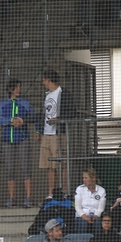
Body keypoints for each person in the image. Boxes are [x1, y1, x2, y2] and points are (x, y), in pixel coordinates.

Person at [35, 69, 74, 199]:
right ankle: (51, 193)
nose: (43, 83)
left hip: (58, 133)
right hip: (46, 133)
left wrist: (60, 119)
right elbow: (43, 114)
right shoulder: (46, 95)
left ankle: (64, 191)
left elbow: (72, 112)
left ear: (48, 80)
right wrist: (38, 130)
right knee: (48, 164)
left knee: (61, 163)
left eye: (44, 80)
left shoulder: (64, 93)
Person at [0, 79, 36, 208]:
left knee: (25, 167)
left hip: (23, 138)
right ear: (10, 89)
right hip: (7, 139)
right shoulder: (3, 103)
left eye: (19, 87)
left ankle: (29, 197)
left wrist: (22, 121)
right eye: (16, 87)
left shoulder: (25, 103)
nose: (18, 89)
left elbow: (34, 117)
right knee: (9, 169)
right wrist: (11, 121)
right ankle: (11, 198)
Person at [73, 168, 106, 233]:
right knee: (83, 223)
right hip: (82, 216)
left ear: (93, 178)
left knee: (98, 222)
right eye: (83, 178)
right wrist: (85, 217)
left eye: (86, 178)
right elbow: (77, 207)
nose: (84, 180)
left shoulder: (102, 190)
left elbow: (101, 209)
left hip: (96, 216)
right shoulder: (79, 189)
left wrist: (94, 217)